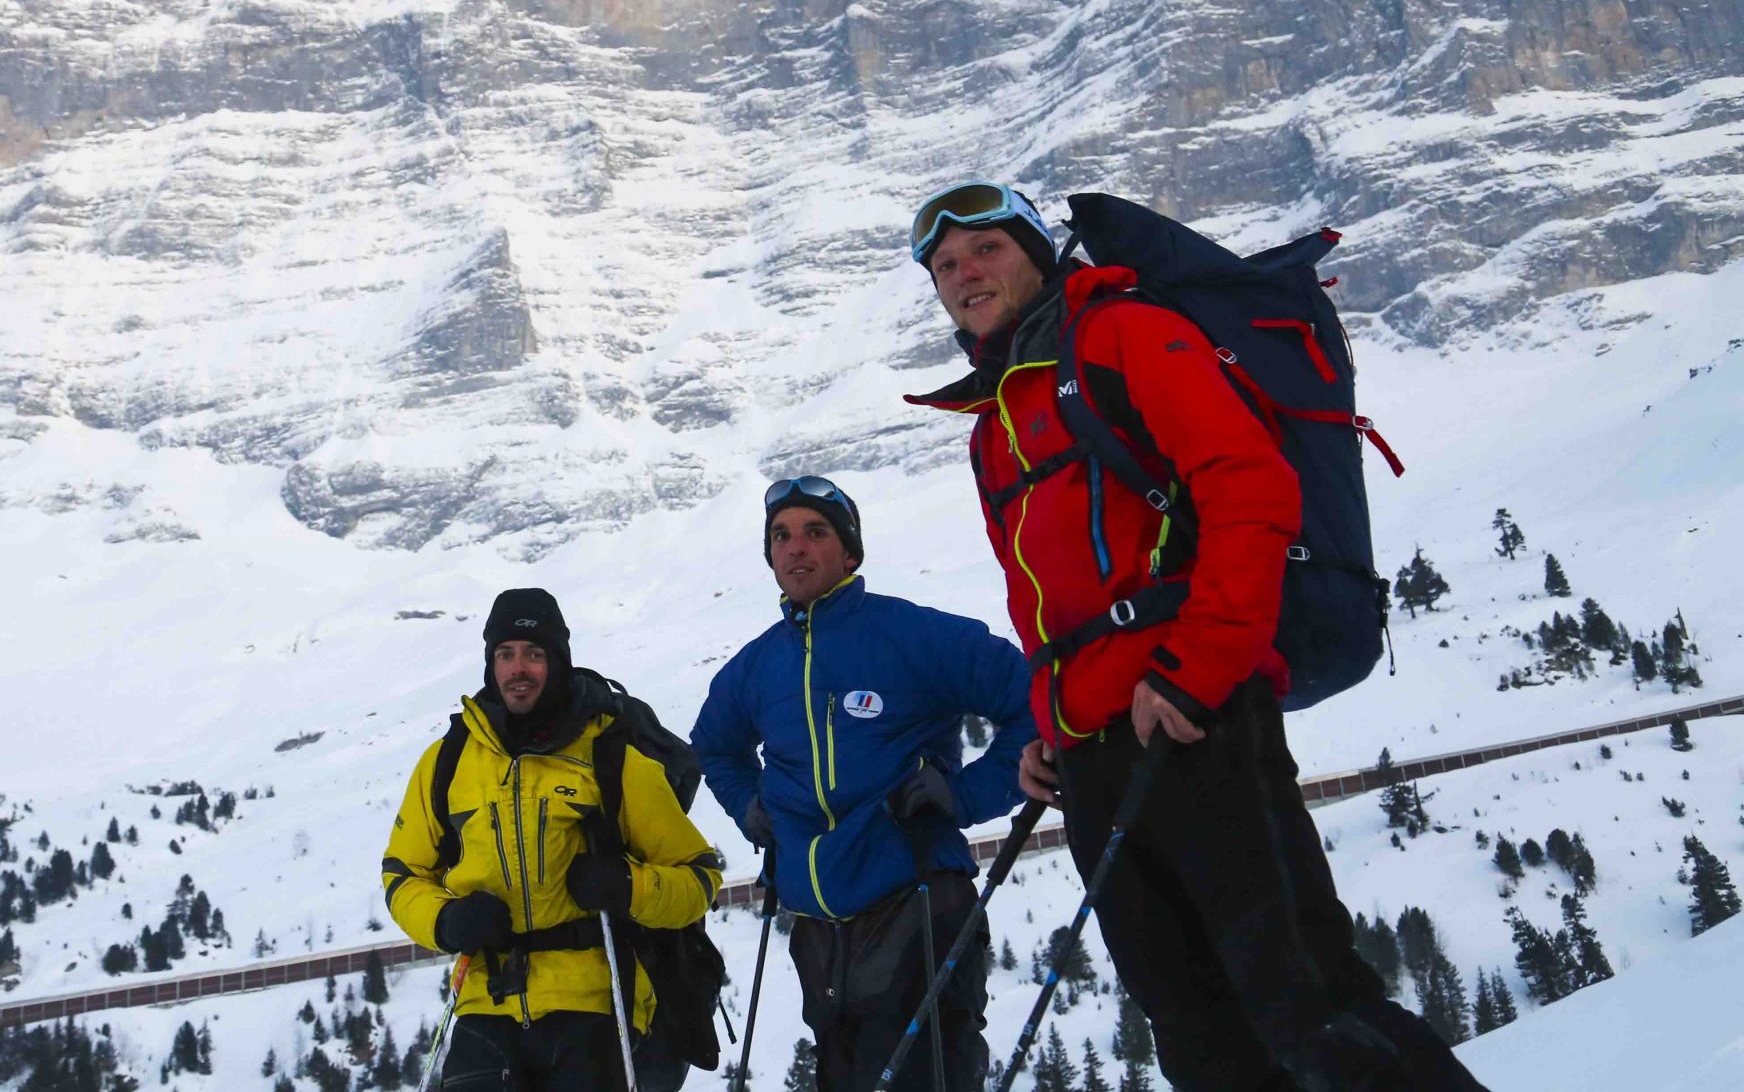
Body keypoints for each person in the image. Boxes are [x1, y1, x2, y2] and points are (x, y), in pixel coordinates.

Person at [905, 182, 1486, 1092]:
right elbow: (1043, 598)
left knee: (1305, 998)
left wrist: (1197, 671)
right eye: (945, 265)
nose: (965, 273)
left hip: (1193, 717)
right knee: (1193, 1028)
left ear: (1037, 250)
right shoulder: (997, 423)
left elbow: (1248, 486)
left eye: (986, 249)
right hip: (1096, 753)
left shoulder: (1123, 332)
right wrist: (1046, 727)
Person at [690, 477, 1035, 1092]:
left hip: (917, 903)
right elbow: (714, 745)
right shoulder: (757, 665)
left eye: (815, 532)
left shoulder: (916, 636)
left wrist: (966, 796)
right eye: (781, 536)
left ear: (849, 552)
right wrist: (749, 804)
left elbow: (1033, 702)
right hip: (818, 933)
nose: (796, 547)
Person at [383, 589, 724, 1092]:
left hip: (594, 1002)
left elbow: (699, 877)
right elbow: (402, 874)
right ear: (490, 664)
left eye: (534, 653)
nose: (518, 668)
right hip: (484, 1002)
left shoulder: (611, 756)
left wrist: (627, 887)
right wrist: (447, 919)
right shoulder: (448, 761)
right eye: (506, 654)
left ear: (559, 661)